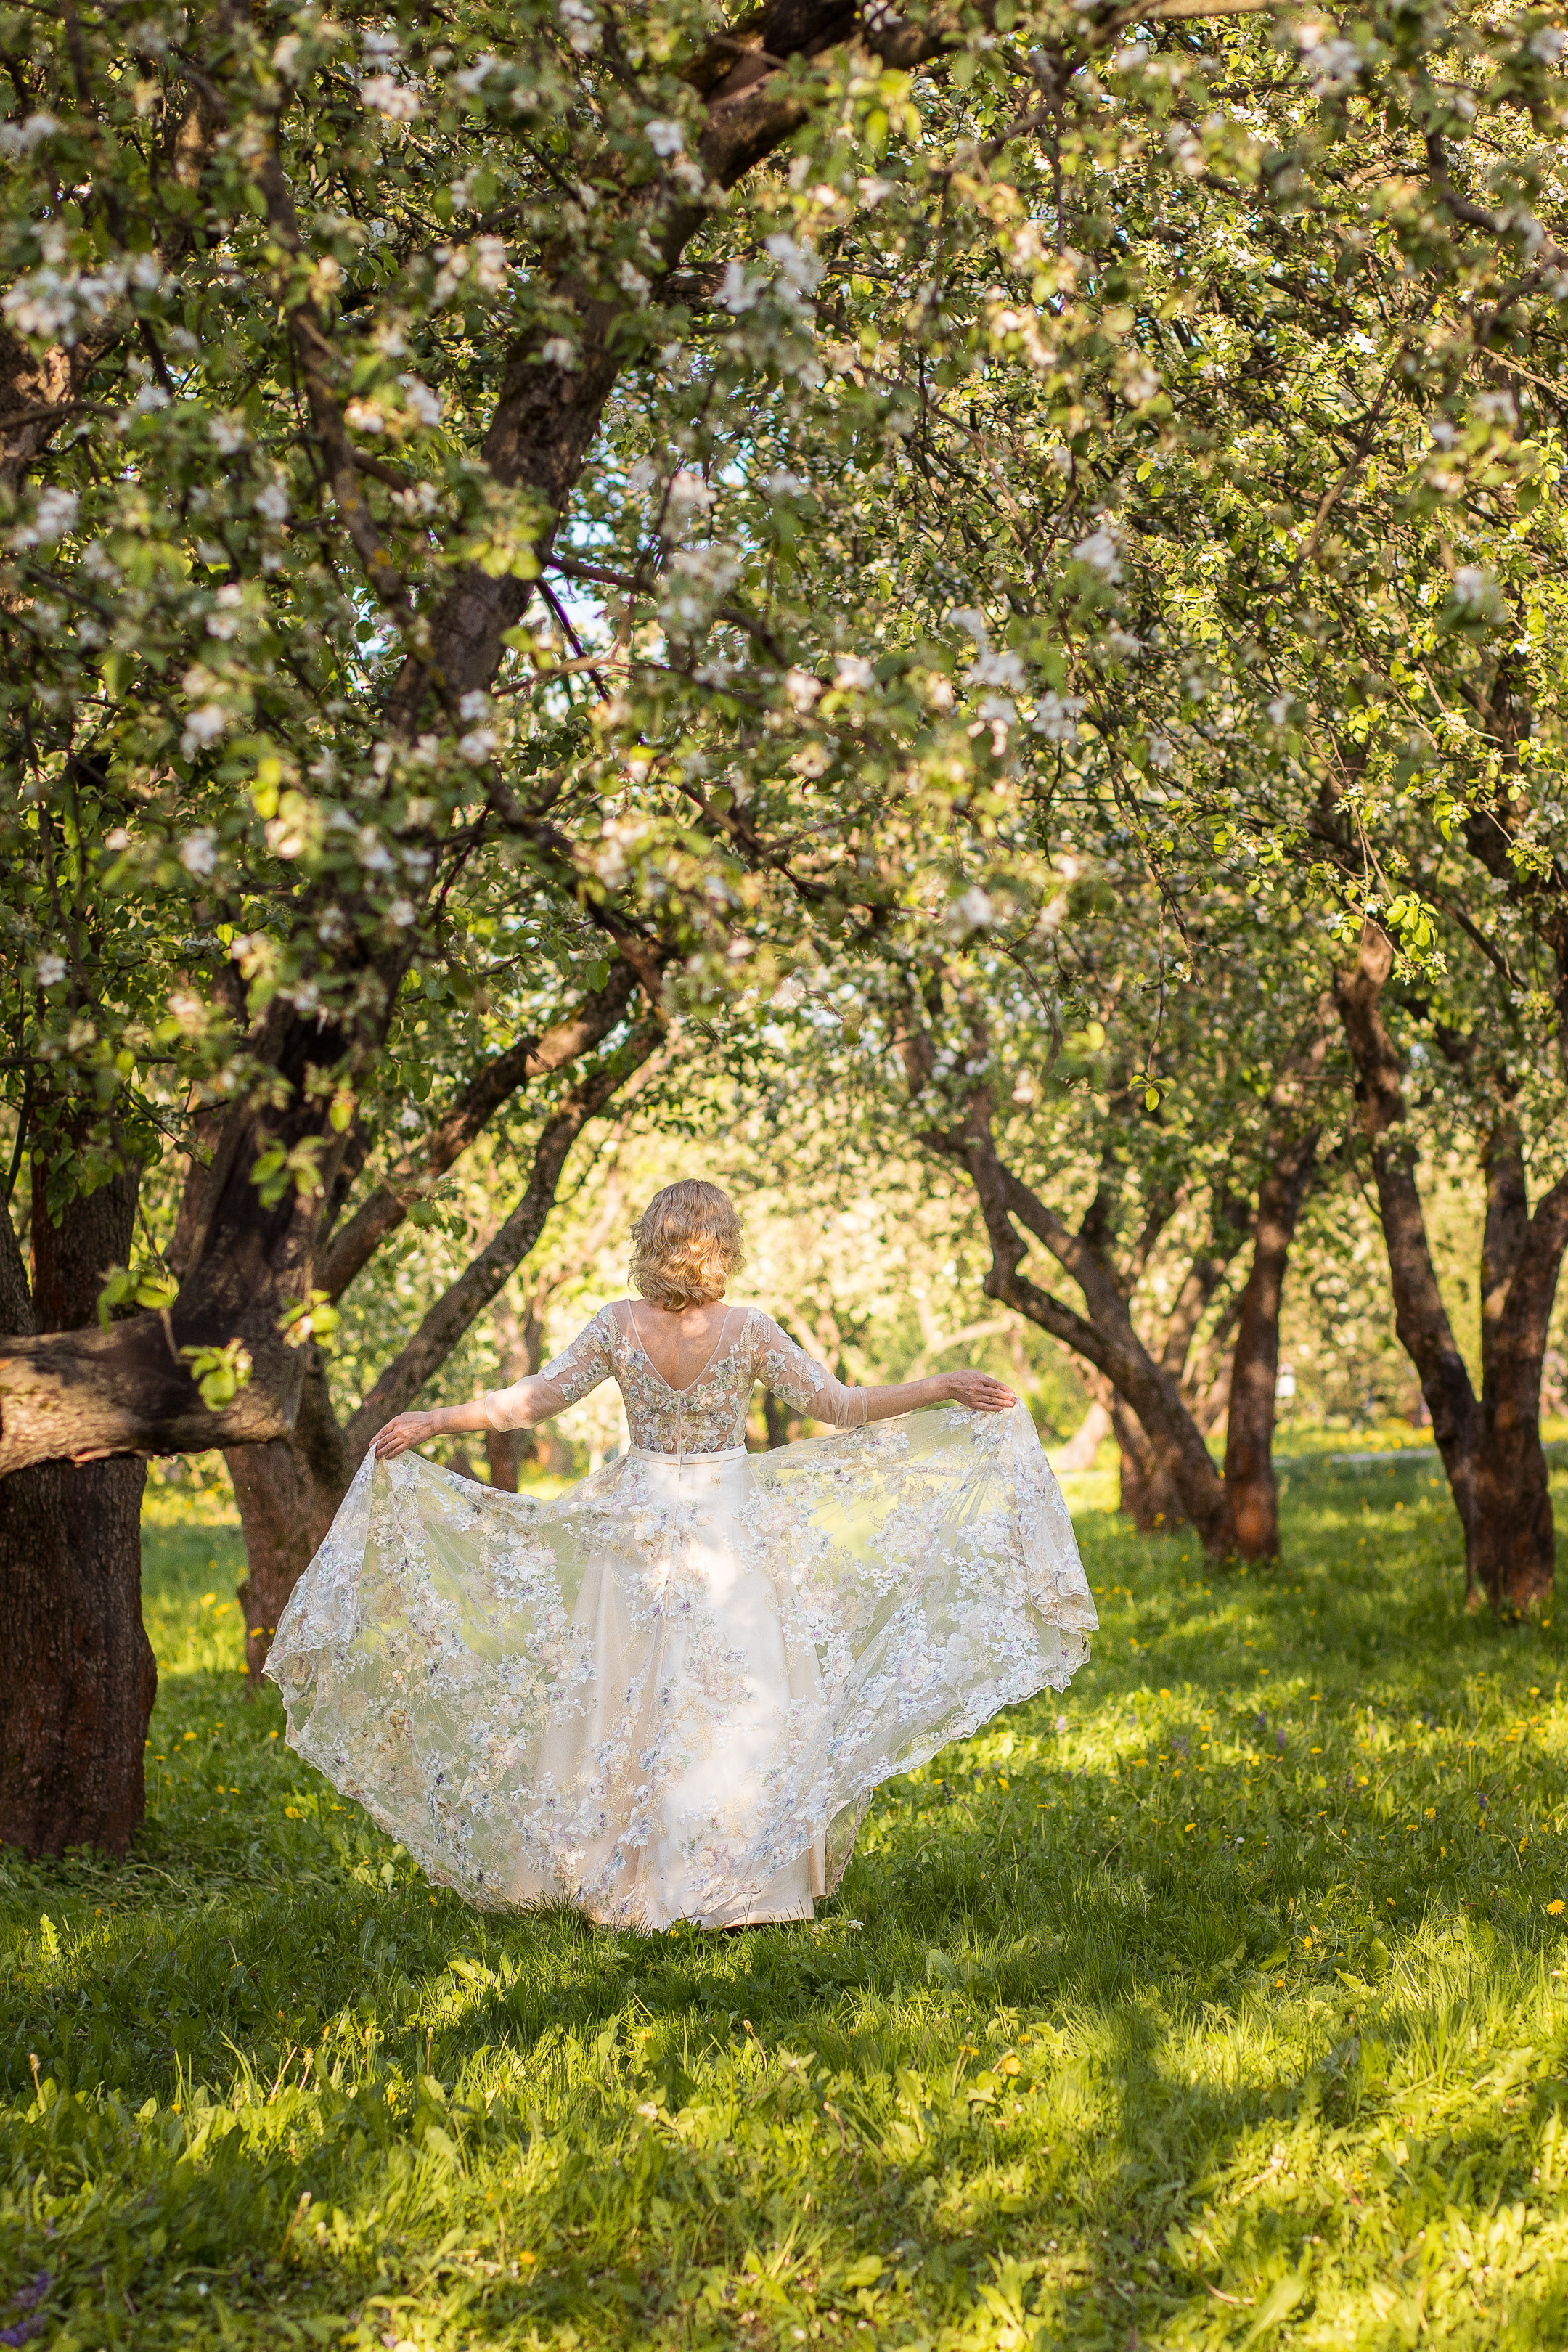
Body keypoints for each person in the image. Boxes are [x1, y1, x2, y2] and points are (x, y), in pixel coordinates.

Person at [266, 1180, 1096, 1931]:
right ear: (721, 1246)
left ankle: (614, 1874)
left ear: (651, 1243)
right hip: (727, 1530)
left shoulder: (617, 1324)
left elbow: (531, 1404)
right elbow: (840, 1407)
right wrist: (939, 1384)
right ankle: (742, 1884)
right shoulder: (747, 1329)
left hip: (638, 1529)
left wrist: (435, 1420)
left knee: (620, 1701)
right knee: (735, 1697)